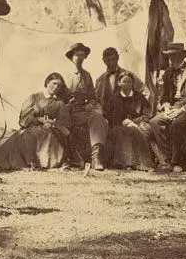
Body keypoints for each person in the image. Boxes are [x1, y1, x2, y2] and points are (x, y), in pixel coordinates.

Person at [0, 72, 71, 170]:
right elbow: (24, 119)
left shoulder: (59, 102)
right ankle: (30, 162)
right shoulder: (34, 98)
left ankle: (48, 163)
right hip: (32, 126)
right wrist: (38, 120)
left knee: (52, 136)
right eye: (54, 83)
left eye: (59, 85)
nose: (56, 87)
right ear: (47, 83)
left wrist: (52, 123)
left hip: (51, 128)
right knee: (30, 135)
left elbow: (64, 121)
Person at [148, 42, 186, 172]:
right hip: (173, 107)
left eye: (176, 55)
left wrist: (181, 110)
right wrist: (167, 108)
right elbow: (165, 96)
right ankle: (168, 158)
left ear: (183, 56)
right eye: (170, 56)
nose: (172, 59)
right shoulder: (168, 73)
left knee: (177, 123)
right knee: (154, 122)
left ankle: (178, 162)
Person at [62, 42, 109, 170]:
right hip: (68, 111)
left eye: (82, 55)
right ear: (71, 57)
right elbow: (59, 96)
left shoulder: (87, 75)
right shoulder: (65, 75)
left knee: (98, 118)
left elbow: (92, 97)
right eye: (77, 55)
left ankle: (96, 157)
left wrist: (90, 104)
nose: (80, 58)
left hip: (82, 111)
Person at [104, 72, 155, 170]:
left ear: (132, 83)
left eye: (129, 82)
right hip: (119, 125)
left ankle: (139, 163)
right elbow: (109, 115)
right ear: (119, 83)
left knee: (138, 131)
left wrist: (134, 122)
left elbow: (148, 113)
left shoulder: (139, 97)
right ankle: (124, 163)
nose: (127, 84)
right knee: (120, 132)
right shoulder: (114, 98)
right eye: (124, 81)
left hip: (137, 124)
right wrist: (123, 122)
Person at [93, 47, 152, 112]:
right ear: (104, 61)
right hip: (107, 116)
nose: (111, 63)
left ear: (117, 58)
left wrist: (138, 110)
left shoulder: (128, 75)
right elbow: (96, 101)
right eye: (108, 60)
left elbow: (145, 92)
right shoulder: (100, 80)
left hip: (127, 115)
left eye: (113, 59)